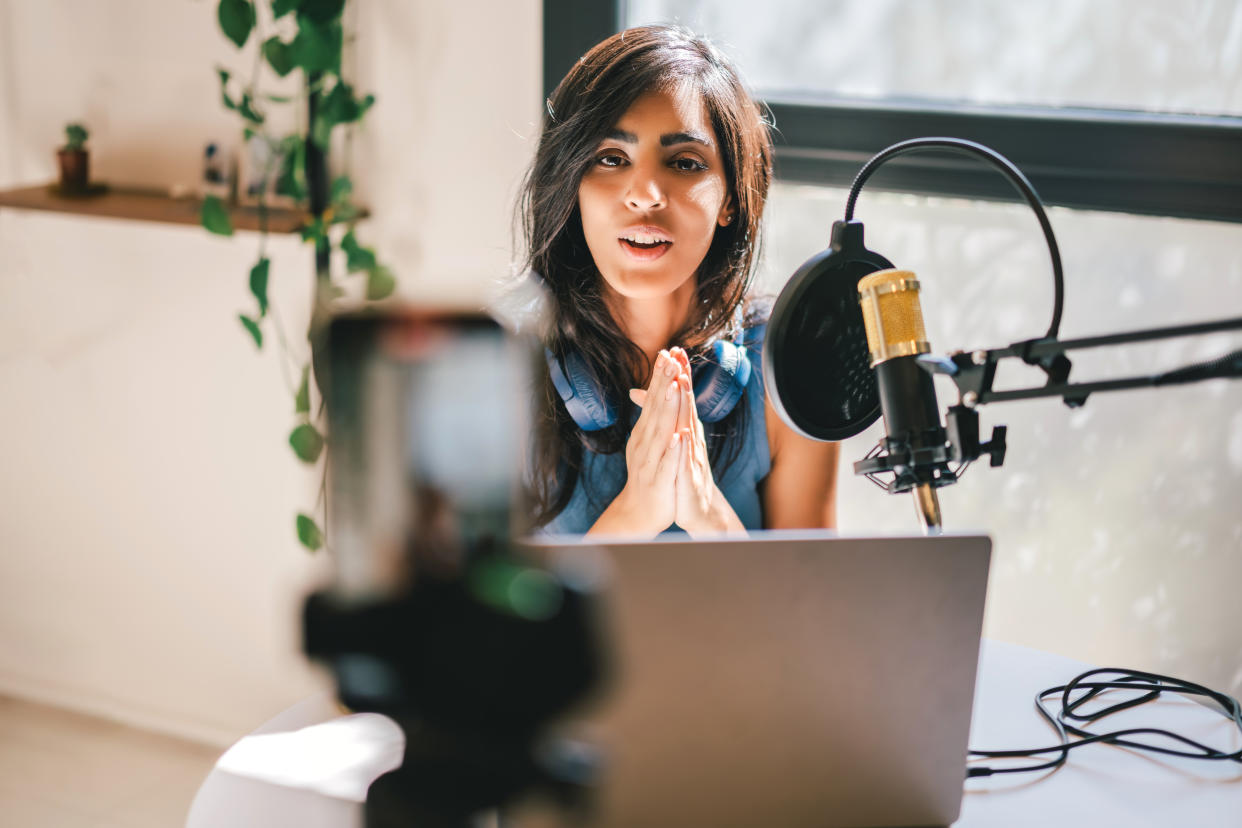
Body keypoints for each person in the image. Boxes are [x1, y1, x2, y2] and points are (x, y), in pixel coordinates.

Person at [518, 25, 838, 538]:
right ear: (573, 187)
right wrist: (633, 516)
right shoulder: (494, 363)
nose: (645, 193)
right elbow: (465, 618)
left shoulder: (792, 363)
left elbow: (804, 613)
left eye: (684, 163)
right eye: (611, 159)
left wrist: (707, 512)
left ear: (731, 197)